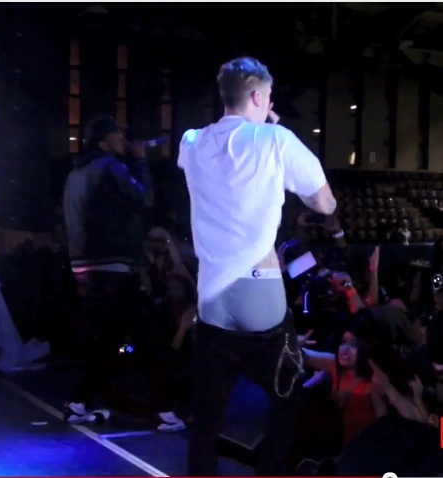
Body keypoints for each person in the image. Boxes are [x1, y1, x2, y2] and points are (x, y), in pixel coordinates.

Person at [178, 57, 337, 476]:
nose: (270, 104)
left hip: (211, 299)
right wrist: (273, 132)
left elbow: (216, 160)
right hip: (258, 290)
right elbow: (326, 203)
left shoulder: (191, 142)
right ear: (256, 96)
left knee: (206, 417)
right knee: (288, 396)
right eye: (267, 96)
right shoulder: (275, 139)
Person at [62, 116, 152, 423]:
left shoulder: (76, 173)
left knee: (105, 336)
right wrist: (140, 161)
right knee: (140, 331)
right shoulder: (110, 167)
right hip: (113, 264)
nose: (122, 140)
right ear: (102, 143)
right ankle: (165, 406)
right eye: (116, 135)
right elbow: (143, 198)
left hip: (84, 264)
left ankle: (81, 400)